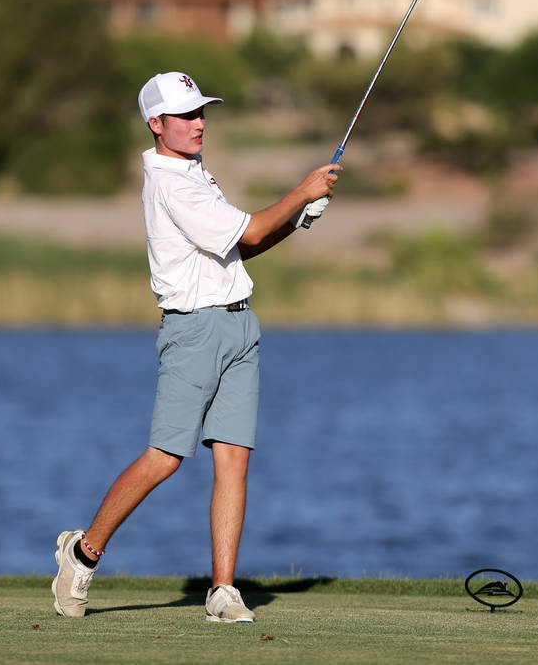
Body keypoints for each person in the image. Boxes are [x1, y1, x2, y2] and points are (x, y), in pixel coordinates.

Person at [52, 70, 340, 623]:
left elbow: (243, 247)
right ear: (156, 124)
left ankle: (223, 592)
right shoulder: (171, 183)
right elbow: (251, 232)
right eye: (185, 115)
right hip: (193, 332)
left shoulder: (196, 174)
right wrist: (300, 193)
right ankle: (82, 553)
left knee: (234, 458)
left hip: (239, 325)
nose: (198, 122)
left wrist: (297, 220)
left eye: (201, 111)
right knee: (166, 457)